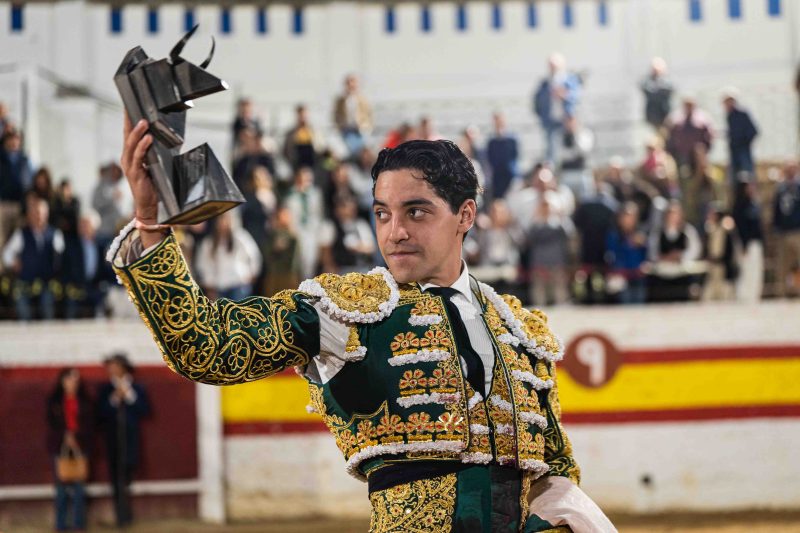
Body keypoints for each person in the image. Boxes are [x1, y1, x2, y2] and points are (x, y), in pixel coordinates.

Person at [113, 117, 615, 531]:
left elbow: (554, 473)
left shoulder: (519, 328)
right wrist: (151, 224)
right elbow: (205, 345)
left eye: (415, 212)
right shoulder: (344, 312)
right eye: (382, 213)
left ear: (465, 215)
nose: (394, 232)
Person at [97, 353, 151, 528]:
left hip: (131, 438)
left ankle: (124, 514)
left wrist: (128, 395)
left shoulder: (136, 387)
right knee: (116, 477)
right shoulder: (105, 389)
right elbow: (100, 414)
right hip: (113, 439)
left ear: (123, 368)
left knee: (126, 474)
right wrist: (114, 398)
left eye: (114, 366)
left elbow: (145, 410)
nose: (111, 370)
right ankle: (122, 517)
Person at [2, 196, 64, 320]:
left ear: (46, 214)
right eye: (35, 213)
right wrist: (13, 262)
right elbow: (6, 254)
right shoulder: (21, 233)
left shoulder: (55, 234)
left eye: (41, 213)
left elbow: (61, 257)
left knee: (47, 310)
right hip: (25, 283)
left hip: (46, 283)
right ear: (29, 215)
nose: (38, 216)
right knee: (23, 311)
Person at [47, 367, 93, 532]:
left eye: (75, 380)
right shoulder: (54, 401)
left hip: (80, 446)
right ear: (62, 381)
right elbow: (51, 424)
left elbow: (90, 424)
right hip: (61, 447)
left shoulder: (85, 401)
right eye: (69, 380)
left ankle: (78, 525)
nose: (72, 384)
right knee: (61, 489)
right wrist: (65, 436)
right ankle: (60, 525)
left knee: (79, 489)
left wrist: (76, 437)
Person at [195, 210, 262, 300]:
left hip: (238, 284)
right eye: (220, 220)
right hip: (219, 287)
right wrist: (209, 284)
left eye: (226, 219)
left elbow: (254, 256)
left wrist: (252, 274)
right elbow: (203, 265)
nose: (223, 223)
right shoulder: (209, 243)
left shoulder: (240, 237)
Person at [533, 53, 581, 165]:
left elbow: (575, 98)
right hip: (550, 122)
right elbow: (537, 102)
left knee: (570, 151)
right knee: (551, 154)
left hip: (567, 124)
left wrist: (563, 95)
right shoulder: (545, 83)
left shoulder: (569, 80)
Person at [605, 203, 648, 304]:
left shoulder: (641, 235)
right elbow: (612, 255)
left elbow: (646, 256)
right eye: (626, 216)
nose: (628, 220)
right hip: (621, 277)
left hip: (638, 277)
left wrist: (643, 244)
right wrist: (628, 244)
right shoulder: (614, 235)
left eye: (632, 217)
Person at [732, 180, 764, 302]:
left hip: (756, 243)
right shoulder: (739, 206)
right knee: (746, 269)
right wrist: (744, 245)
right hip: (746, 244)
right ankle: (744, 295)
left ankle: (754, 295)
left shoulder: (754, 204)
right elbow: (741, 228)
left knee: (756, 269)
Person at [772, 160, 800, 298]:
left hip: (797, 231)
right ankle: (782, 292)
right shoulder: (781, 188)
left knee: (798, 263)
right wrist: (776, 227)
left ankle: (797, 290)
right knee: (783, 264)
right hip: (784, 231)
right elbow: (776, 210)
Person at [333, 74, 373, 158]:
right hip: (347, 131)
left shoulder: (362, 99)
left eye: (353, 82)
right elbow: (336, 116)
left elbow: (369, 115)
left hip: (360, 130)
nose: (351, 85)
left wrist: (366, 126)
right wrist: (340, 127)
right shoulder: (340, 100)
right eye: (348, 83)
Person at [722, 87, 758, 181]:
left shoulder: (742, 113)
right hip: (734, 151)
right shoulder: (729, 116)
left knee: (747, 177)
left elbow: (753, 131)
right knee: (735, 179)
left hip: (743, 150)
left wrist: (744, 143)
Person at [486, 112, 519, 201]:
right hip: (497, 177)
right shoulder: (492, 141)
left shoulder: (512, 139)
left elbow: (515, 157)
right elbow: (490, 159)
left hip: (510, 175)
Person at [640, 57, 674, 134]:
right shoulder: (647, 80)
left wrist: (657, 90)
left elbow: (668, 90)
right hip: (653, 115)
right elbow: (647, 90)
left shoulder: (666, 80)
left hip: (665, 114)